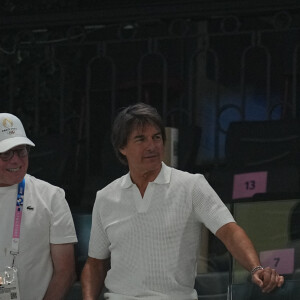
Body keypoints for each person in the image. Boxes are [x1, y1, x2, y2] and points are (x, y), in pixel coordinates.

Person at [81, 103, 284, 300]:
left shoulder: (191, 185)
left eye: (157, 137)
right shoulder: (106, 197)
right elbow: (95, 263)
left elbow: (229, 231)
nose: (152, 146)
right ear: (122, 147)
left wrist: (256, 268)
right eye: (141, 139)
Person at [0, 112, 78, 300]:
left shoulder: (51, 197)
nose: (16, 160)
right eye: (6, 153)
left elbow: (65, 272)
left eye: (21, 151)